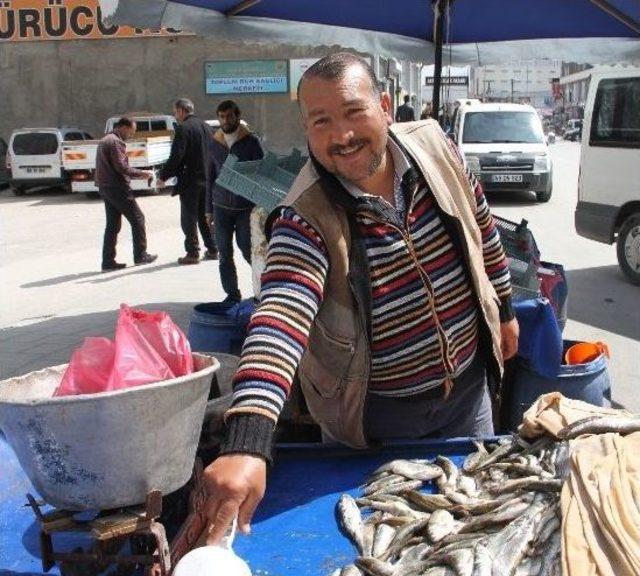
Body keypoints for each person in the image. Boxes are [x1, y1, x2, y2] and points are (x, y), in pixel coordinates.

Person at [203, 52, 519, 544]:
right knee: (384, 548)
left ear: (386, 107)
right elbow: (280, 317)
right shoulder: (303, 215)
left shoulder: (437, 149)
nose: (341, 135)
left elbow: (480, 223)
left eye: (353, 112)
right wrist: (248, 440)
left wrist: (504, 309)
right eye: (321, 121)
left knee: (474, 527)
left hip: (467, 396)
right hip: (375, 422)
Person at [206, 100, 264, 304]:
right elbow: (210, 176)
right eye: (222, 116)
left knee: (247, 249)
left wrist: (260, 203)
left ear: (237, 117)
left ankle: (265, 286)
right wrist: (208, 210)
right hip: (220, 207)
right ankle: (232, 294)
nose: (225, 120)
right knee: (224, 252)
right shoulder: (215, 143)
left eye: (229, 116)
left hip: (244, 207)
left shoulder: (251, 142)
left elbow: (261, 173)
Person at [157, 98, 218, 265]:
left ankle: (192, 253)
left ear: (182, 111)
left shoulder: (184, 128)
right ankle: (213, 249)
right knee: (204, 216)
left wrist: (163, 176)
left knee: (189, 218)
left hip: (190, 181)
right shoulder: (207, 127)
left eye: (175, 112)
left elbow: (176, 156)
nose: (175, 116)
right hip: (207, 180)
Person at [95, 117, 157, 271]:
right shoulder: (116, 142)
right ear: (123, 127)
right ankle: (140, 255)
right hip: (117, 188)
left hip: (105, 187)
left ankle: (108, 261)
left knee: (112, 225)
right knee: (138, 218)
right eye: (131, 131)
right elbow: (122, 167)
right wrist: (142, 173)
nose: (132, 135)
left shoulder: (105, 140)